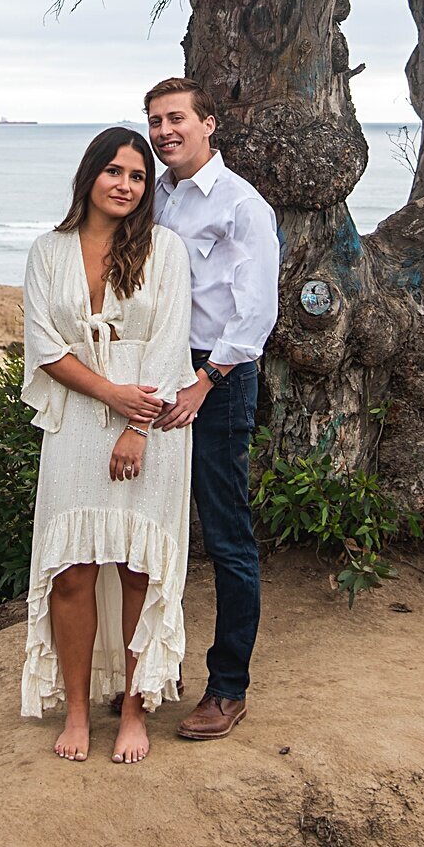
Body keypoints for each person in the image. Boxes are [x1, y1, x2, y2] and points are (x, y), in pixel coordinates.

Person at [20, 127, 196, 764]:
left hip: (149, 425)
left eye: (139, 176)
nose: (126, 185)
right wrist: (109, 396)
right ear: (90, 175)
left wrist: (137, 423)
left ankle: (132, 710)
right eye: (115, 172)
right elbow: (44, 348)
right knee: (71, 572)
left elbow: (171, 344)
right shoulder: (48, 250)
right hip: (76, 419)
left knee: (136, 569)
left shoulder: (165, 249)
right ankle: (75, 711)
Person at [145, 77, 279, 740]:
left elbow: (257, 311)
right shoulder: (159, 196)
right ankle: (148, 675)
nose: (164, 130)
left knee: (225, 536)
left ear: (209, 123)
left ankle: (228, 688)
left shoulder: (241, 205)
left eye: (176, 118)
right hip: (162, 370)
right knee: (154, 525)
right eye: (155, 121)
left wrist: (205, 380)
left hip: (216, 380)